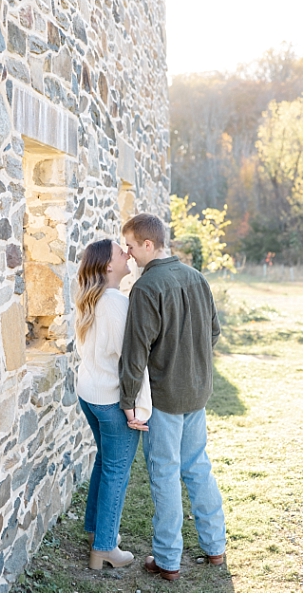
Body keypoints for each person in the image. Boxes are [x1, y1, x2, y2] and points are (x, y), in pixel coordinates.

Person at [119, 213, 226, 581]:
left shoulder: (146, 288)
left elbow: (135, 353)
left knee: (164, 474)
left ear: (149, 244)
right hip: (196, 392)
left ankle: (167, 560)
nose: (128, 255)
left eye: (131, 247)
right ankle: (215, 548)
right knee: (198, 468)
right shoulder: (197, 278)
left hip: (164, 397)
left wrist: (129, 402)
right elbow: (213, 332)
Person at [74, 238, 152, 571]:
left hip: (89, 394)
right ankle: (105, 548)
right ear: (108, 265)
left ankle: (96, 530)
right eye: (122, 251)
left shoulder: (92, 299)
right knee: (116, 472)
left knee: (105, 463)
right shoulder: (115, 304)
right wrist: (136, 408)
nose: (127, 253)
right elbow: (132, 363)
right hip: (109, 399)